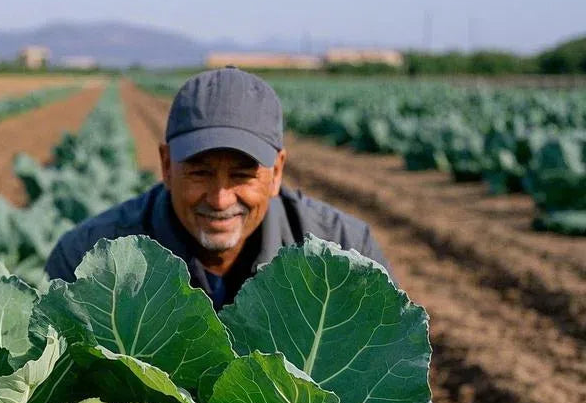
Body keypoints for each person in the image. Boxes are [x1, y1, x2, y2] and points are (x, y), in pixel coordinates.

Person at [45, 67, 392, 309]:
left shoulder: (347, 255)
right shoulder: (87, 262)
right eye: (200, 173)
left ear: (277, 172)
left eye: (242, 175)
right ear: (166, 166)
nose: (220, 198)